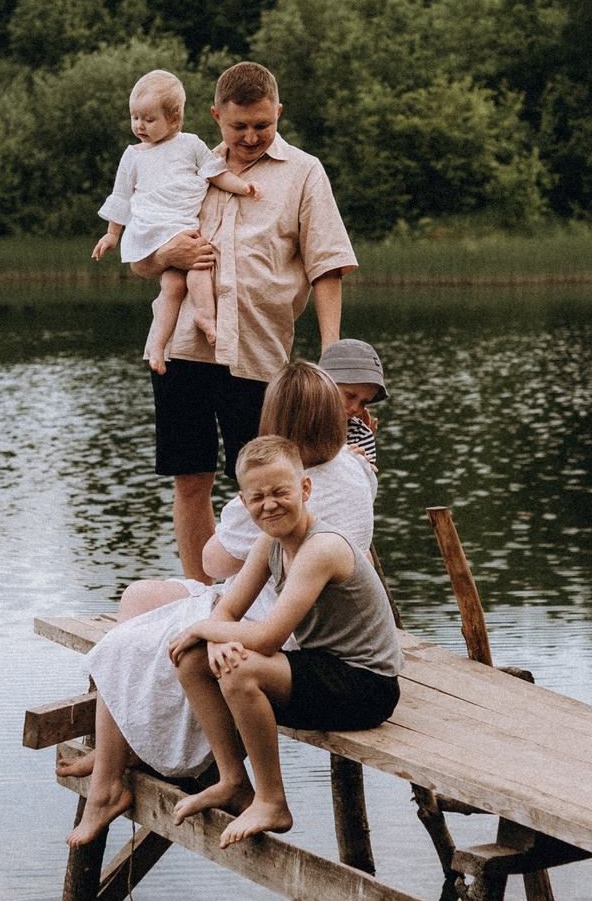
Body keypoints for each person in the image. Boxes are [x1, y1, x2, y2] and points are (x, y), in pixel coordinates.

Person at [70, 436, 402, 849]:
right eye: (259, 496)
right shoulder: (271, 543)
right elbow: (226, 611)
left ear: (305, 490)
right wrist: (211, 639)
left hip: (366, 684)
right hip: (321, 667)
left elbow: (268, 637)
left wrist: (209, 632)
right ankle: (233, 781)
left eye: (281, 492)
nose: (270, 504)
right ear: (245, 503)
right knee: (191, 657)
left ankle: (273, 801)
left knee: (238, 669)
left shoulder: (322, 547)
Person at [62, 361, 372, 785]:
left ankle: (113, 768)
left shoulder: (278, 490)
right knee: (138, 600)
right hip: (293, 611)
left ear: (273, 422)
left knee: (131, 631)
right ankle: (123, 749)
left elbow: (212, 561)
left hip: (281, 623)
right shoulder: (353, 469)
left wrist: (246, 497)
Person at [126, 62, 357, 584]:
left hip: (259, 352)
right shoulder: (184, 165)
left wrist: (332, 359)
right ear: (215, 117)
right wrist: (167, 252)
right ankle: (200, 596)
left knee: (263, 485)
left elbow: (328, 266)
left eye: (262, 125)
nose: (251, 137)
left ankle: (262, 600)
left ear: (278, 112)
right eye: (238, 127)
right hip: (183, 347)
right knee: (190, 479)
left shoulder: (304, 171)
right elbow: (140, 258)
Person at [91, 70, 261, 373]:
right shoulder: (132, 156)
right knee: (197, 260)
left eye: (149, 119)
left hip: (179, 222)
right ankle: (204, 317)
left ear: (174, 119)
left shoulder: (190, 145)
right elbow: (121, 197)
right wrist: (111, 235)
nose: (139, 125)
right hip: (152, 228)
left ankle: (160, 343)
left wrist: (242, 186)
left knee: (174, 285)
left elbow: (216, 173)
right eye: (134, 117)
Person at [317, 337, 387, 465]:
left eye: (364, 402)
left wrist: (361, 466)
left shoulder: (360, 434)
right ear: (324, 383)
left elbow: (367, 482)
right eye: (350, 395)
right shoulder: (293, 417)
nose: (355, 408)